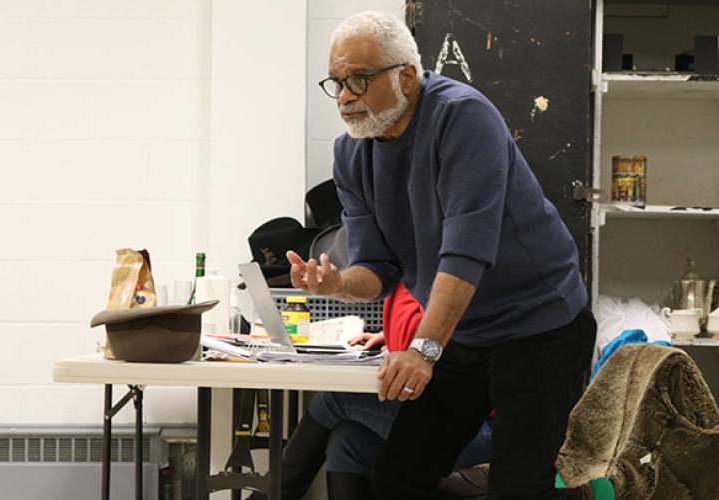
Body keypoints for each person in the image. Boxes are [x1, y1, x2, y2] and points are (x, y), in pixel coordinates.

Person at [286, 10, 597, 500]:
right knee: (397, 478)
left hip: (539, 325)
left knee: (518, 490)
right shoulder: (352, 153)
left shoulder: (462, 117)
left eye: (359, 80)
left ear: (407, 76)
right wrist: (339, 284)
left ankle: (593, 494)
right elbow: (378, 269)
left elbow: (465, 254)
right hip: (464, 331)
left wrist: (423, 351)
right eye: (338, 82)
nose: (344, 97)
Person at [248, 282, 493, 500]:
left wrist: (404, 339)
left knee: (336, 398)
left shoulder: (440, 278)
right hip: (448, 417)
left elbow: (440, 337)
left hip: (476, 431)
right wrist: (388, 336)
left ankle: (267, 497)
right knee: (347, 440)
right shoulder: (408, 276)